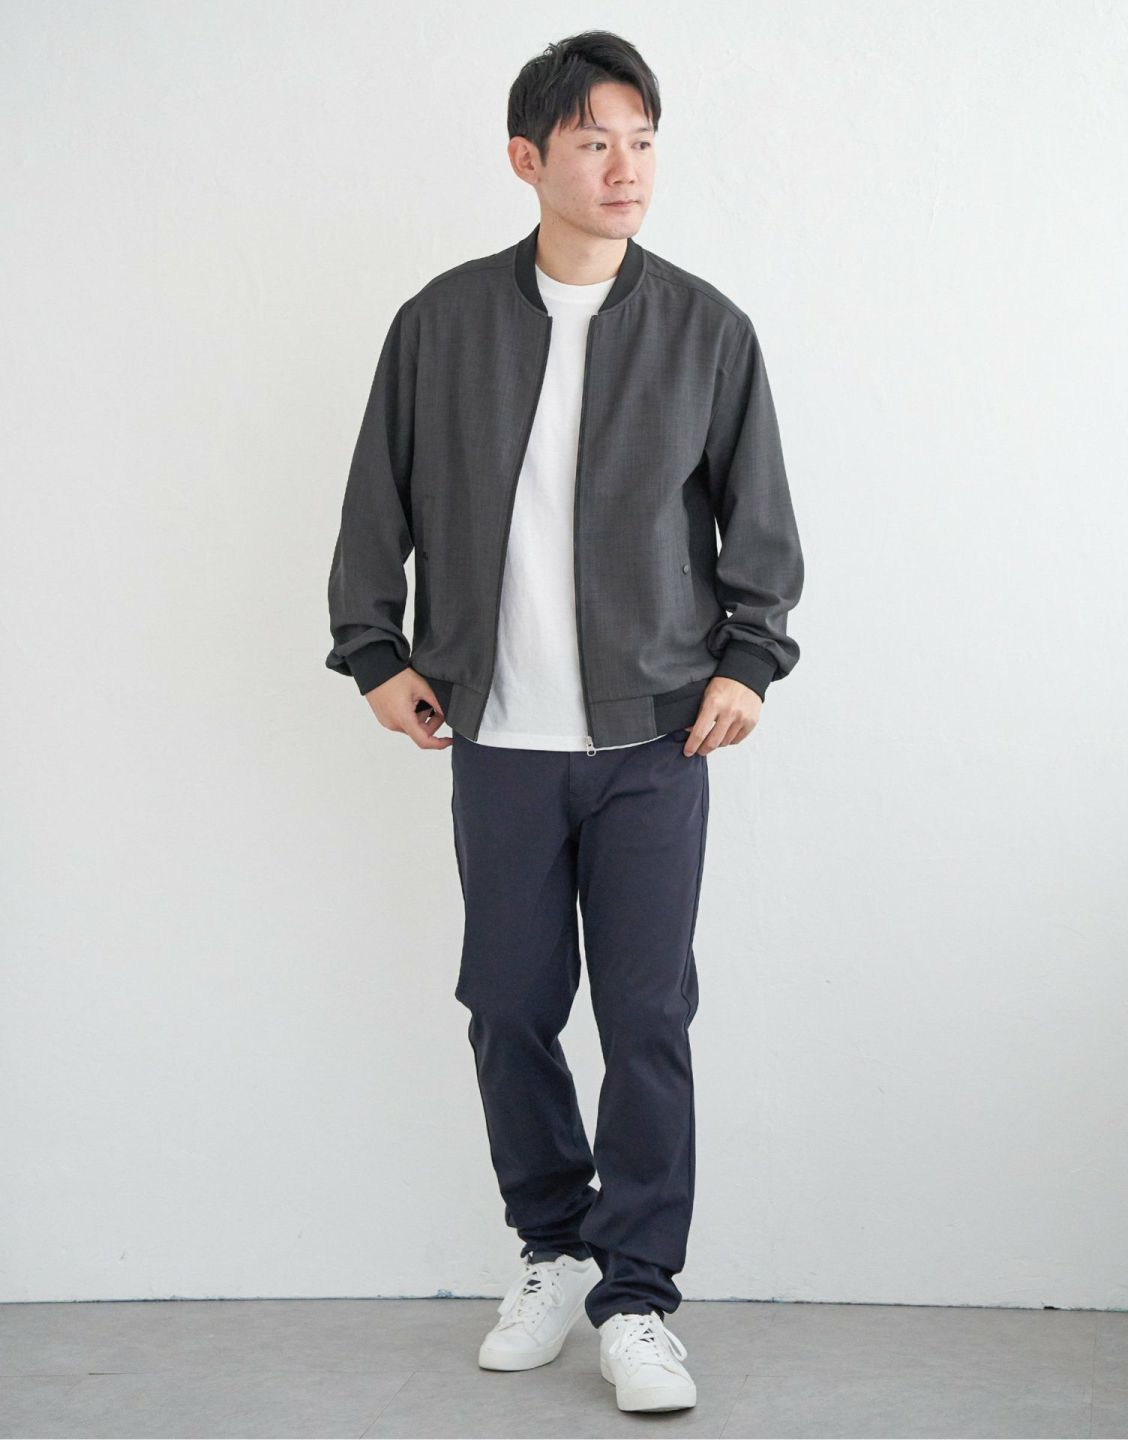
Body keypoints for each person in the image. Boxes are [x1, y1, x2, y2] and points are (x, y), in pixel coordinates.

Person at [324, 29, 805, 1416]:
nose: (626, 168)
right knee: (509, 1007)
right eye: (596, 141)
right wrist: (375, 650)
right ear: (528, 158)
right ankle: (554, 1247)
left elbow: (761, 525)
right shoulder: (441, 324)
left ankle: (637, 1297)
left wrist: (748, 661)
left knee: (647, 1017)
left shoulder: (706, 330)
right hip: (499, 744)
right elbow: (375, 501)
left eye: (643, 141)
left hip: (656, 744)